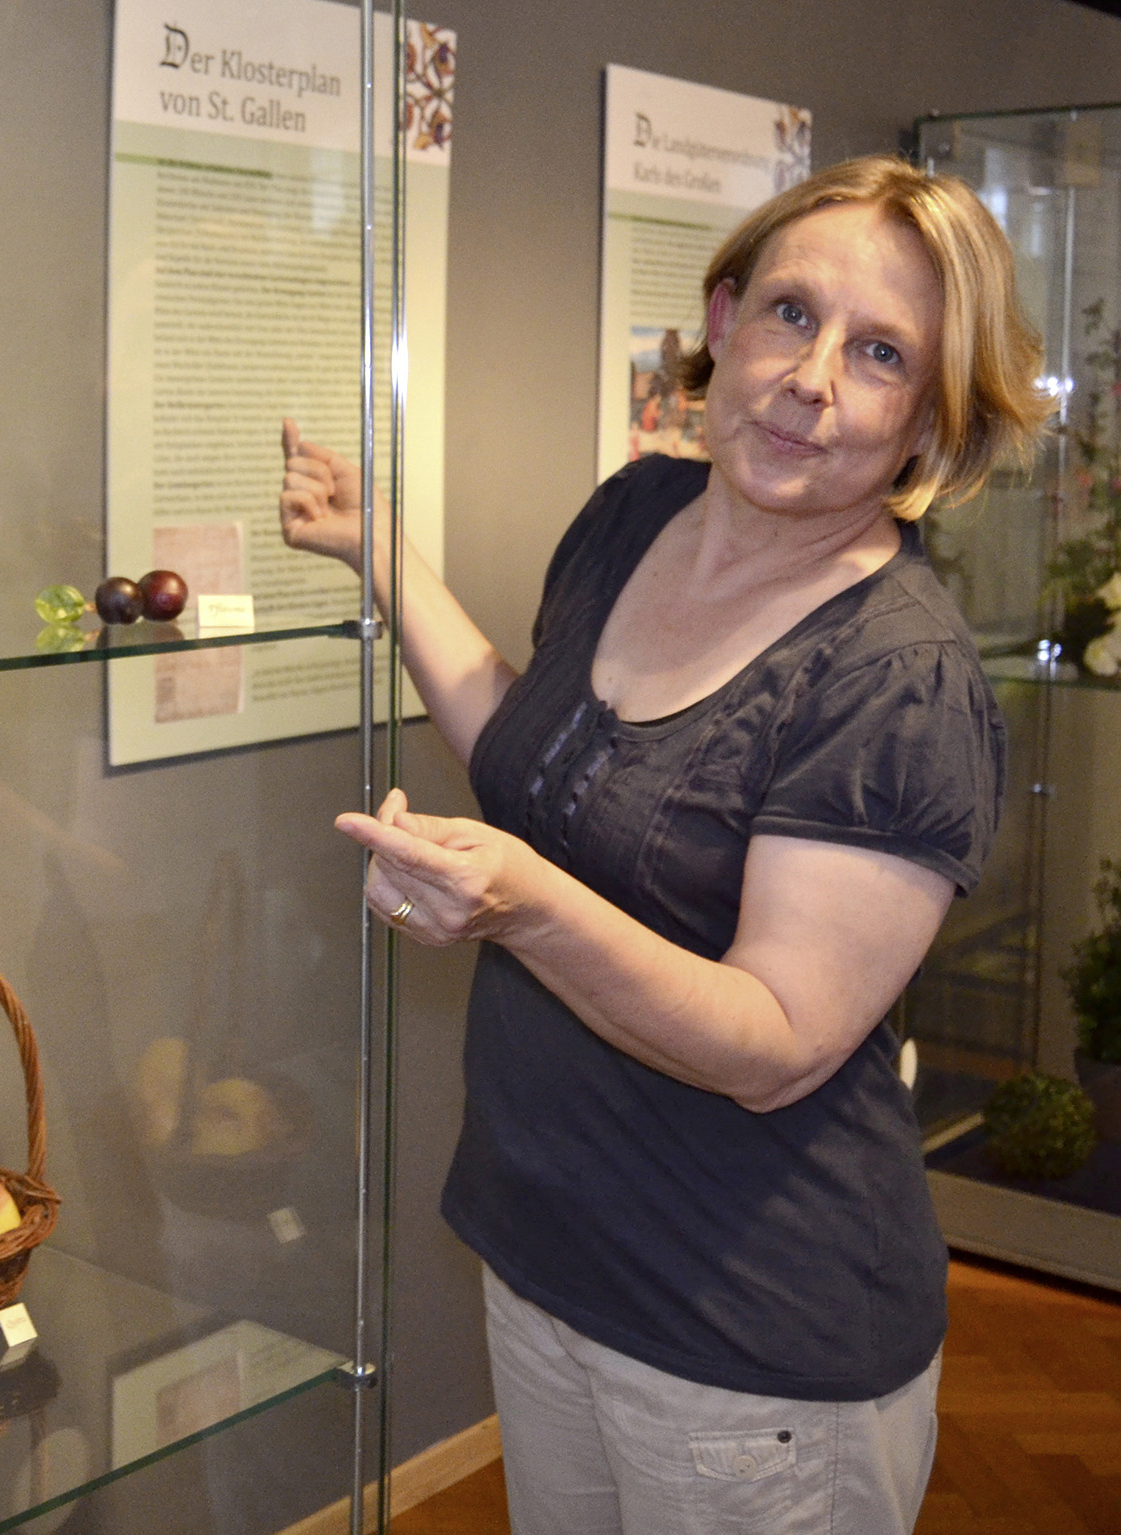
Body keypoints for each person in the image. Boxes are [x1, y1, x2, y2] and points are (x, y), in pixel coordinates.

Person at [279, 155, 1050, 1534]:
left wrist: (522, 907)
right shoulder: (638, 511)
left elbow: (776, 1042)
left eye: (881, 353)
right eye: (792, 314)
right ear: (724, 318)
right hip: (547, 1258)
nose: (813, 379)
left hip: (749, 1339)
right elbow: (538, 761)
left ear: (932, 421)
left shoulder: (895, 680)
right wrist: (379, 549)